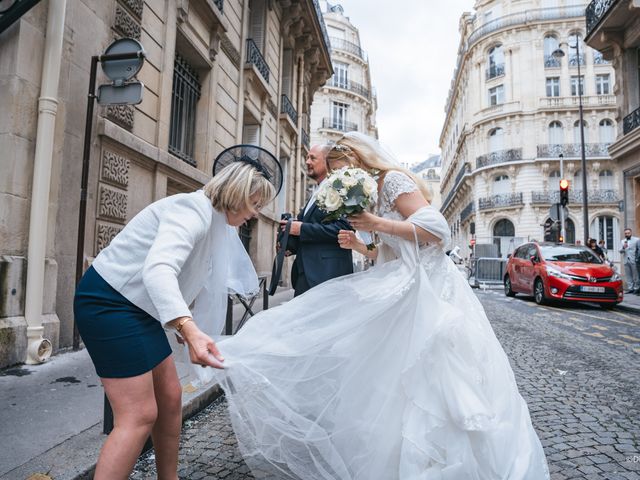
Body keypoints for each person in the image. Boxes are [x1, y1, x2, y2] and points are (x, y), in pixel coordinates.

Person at [208, 132, 549, 479]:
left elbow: (437, 230)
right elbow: (388, 249)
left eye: (343, 170)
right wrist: (361, 245)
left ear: (357, 160)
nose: (341, 178)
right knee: (386, 376)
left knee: (433, 378)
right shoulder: (368, 195)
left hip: (427, 290)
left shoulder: (393, 180)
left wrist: (376, 224)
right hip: (398, 285)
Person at [73, 149, 279, 480]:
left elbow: (189, 280)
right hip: (109, 303)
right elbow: (159, 270)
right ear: (239, 193)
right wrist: (190, 328)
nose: (256, 214)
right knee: (138, 415)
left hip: (139, 310)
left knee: (169, 399)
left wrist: (188, 328)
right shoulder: (191, 210)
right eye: (256, 204)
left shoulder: (213, 220)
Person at [282, 144, 353, 296]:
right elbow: (314, 225)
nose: (307, 161)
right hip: (306, 273)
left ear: (328, 161)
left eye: (312, 158)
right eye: (307, 157)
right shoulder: (318, 190)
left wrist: (301, 229)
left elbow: (344, 228)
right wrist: (290, 244)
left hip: (327, 274)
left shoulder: (340, 186)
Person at [619, 228, 639, 293]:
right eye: (626, 233)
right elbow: (620, 251)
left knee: (635, 275)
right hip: (626, 260)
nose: (627, 234)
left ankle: (636, 288)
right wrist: (623, 247)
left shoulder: (637, 240)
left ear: (631, 233)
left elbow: (639, 250)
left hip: (634, 259)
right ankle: (630, 288)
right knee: (628, 275)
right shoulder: (622, 241)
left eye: (628, 233)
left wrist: (637, 258)